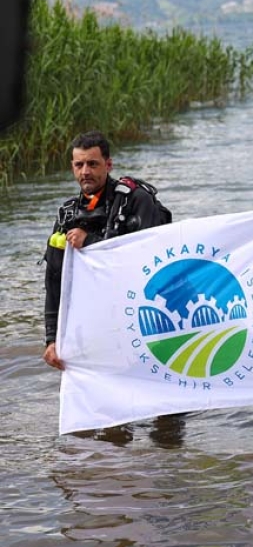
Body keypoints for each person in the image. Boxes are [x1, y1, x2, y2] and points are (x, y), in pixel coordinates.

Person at [43, 131, 165, 370]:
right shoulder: (67, 214)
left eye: (92, 164)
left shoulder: (136, 201)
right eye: (79, 165)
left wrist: (89, 242)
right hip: (93, 324)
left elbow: (149, 263)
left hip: (140, 318)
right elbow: (54, 281)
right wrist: (51, 339)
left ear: (108, 165)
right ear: (72, 167)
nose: (85, 171)